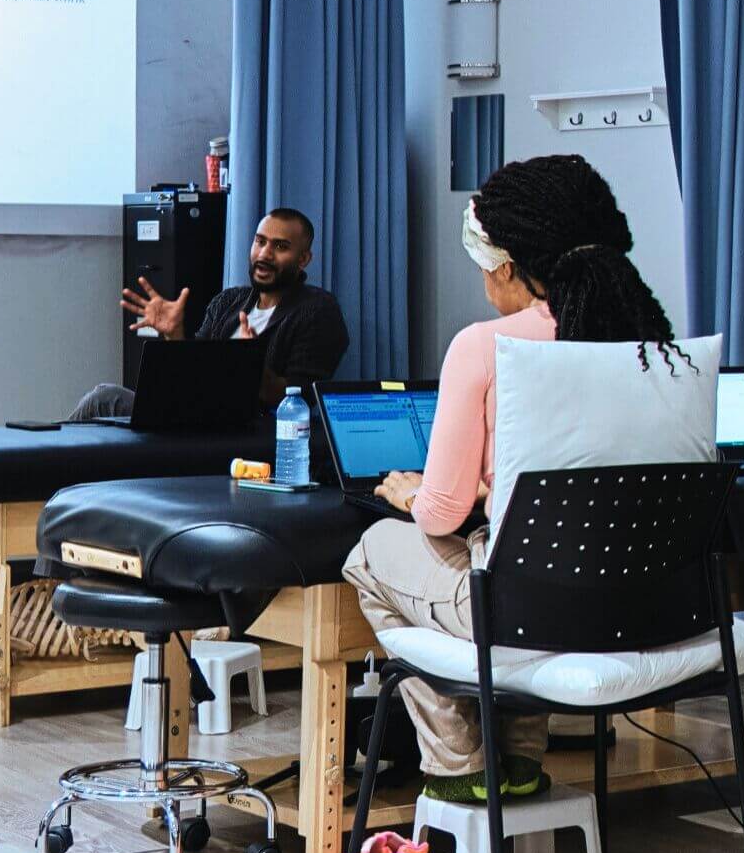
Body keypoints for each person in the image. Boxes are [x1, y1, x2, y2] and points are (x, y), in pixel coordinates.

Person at [339, 155, 686, 807]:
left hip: (523, 610)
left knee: (373, 554)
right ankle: (521, 758)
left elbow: (440, 514)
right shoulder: (652, 348)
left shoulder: (484, 345)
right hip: (643, 606)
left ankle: (459, 762)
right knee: (530, 562)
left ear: (504, 266)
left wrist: (413, 493)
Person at [68, 207, 349, 419]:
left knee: (104, 399)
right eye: (260, 242)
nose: (264, 254)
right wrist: (175, 336)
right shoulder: (229, 301)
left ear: (303, 259)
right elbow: (193, 375)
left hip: (246, 428)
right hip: (195, 415)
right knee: (103, 403)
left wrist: (249, 362)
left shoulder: (317, 311)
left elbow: (295, 400)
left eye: (280, 246)